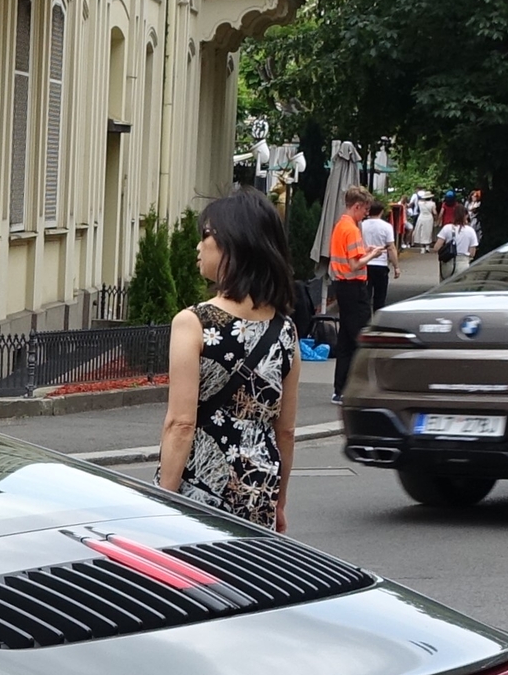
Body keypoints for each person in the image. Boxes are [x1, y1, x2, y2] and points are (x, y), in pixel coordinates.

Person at [158, 189, 299, 533]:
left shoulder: (194, 323)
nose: (198, 245)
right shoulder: (284, 330)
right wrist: (278, 502)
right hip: (258, 488)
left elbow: (181, 424)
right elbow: (287, 430)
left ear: (234, 244)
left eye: (206, 235)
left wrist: (160, 502)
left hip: (200, 488)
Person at [325, 186, 375, 403]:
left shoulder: (339, 226)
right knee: (362, 337)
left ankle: (341, 388)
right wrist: (372, 254)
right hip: (354, 287)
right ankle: (360, 387)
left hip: (341, 285)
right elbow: (355, 264)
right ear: (357, 206)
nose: (366, 213)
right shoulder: (353, 229)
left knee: (346, 339)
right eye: (365, 209)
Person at [361, 199, 398, 308]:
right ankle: (377, 319)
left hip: (365, 263)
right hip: (381, 264)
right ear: (381, 211)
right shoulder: (387, 227)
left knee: (365, 297)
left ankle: (365, 320)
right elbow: (391, 247)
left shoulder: (361, 225)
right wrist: (396, 266)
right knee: (380, 297)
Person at [437, 201, 479, 281]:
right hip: (463, 263)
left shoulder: (447, 228)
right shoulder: (470, 231)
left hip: (448, 263)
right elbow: (472, 253)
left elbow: (436, 247)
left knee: (445, 288)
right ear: (466, 215)